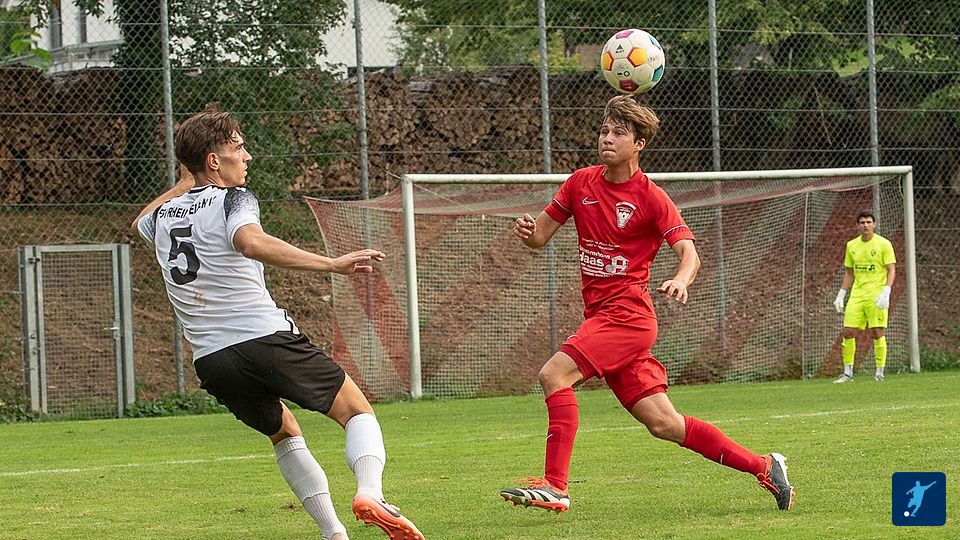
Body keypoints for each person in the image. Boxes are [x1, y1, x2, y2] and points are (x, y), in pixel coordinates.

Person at [131, 104, 423, 540]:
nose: (246, 156)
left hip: (212, 360)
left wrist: (186, 178)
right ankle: (371, 494)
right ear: (215, 161)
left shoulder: (162, 217)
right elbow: (250, 242)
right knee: (356, 411)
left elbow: (138, 221)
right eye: (238, 147)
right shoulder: (235, 198)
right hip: (261, 337)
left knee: (284, 432)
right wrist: (332, 264)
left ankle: (333, 533)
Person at [499, 95, 794, 514]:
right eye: (604, 130)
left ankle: (556, 486)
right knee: (664, 423)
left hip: (628, 319)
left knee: (554, 375)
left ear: (639, 143)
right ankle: (765, 466)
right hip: (603, 318)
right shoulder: (580, 183)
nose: (607, 138)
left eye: (619, 133)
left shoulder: (652, 198)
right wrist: (527, 229)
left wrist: (681, 278)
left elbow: (689, 253)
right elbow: (539, 237)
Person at [832, 210, 896, 383]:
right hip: (857, 295)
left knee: (877, 332)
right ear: (857, 226)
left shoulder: (884, 244)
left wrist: (886, 291)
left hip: (876, 294)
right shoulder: (851, 245)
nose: (865, 225)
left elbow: (891, 269)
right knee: (848, 332)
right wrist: (841, 294)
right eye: (862, 222)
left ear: (874, 224)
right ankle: (847, 373)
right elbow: (849, 272)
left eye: (868, 222)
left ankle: (879, 372)